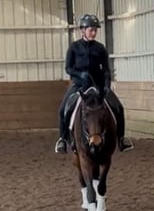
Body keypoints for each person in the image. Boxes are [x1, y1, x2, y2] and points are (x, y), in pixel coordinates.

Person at [54, 13, 134, 154]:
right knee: (63, 110)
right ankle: (62, 139)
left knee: (119, 108)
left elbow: (106, 70)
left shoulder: (100, 48)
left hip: (98, 85)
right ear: (82, 30)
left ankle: (121, 139)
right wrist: (79, 74)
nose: (94, 33)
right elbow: (68, 68)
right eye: (91, 30)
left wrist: (106, 87)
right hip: (79, 85)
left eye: (95, 30)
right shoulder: (74, 47)